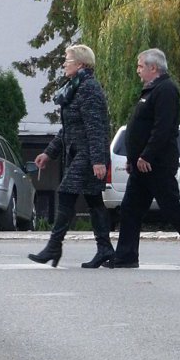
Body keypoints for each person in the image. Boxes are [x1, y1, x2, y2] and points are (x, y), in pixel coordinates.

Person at [110, 49, 180, 269]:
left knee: (171, 207)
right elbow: (140, 127)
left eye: (140, 66)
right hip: (141, 166)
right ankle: (125, 256)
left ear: (153, 67)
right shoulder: (150, 91)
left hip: (156, 163)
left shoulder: (166, 90)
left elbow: (163, 127)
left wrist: (147, 154)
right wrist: (133, 158)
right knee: (130, 208)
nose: (138, 70)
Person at [29, 45, 114, 268]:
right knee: (94, 199)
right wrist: (48, 153)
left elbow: (96, 127)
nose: (64, 64)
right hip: (78, 152)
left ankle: (54, 247)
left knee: (66, 192)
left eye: (67, 60)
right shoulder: (74, 87)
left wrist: (98, 160)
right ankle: (105, 248)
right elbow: (68, 129)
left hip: (87, 154)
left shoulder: (89, 88)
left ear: (81, 64)